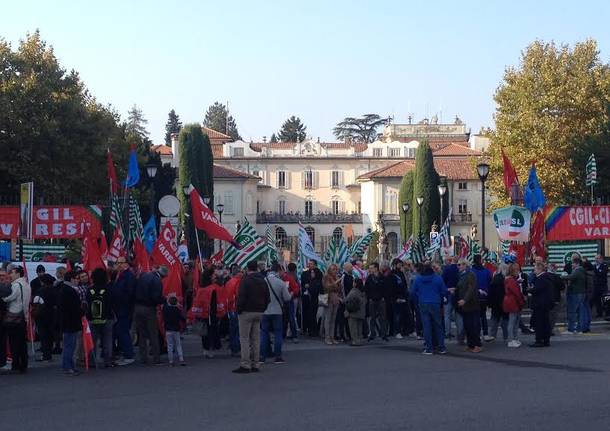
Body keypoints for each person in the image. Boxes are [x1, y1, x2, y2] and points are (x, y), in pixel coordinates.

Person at [234, 260, 270, 374]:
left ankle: (245, 364)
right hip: (259, 311)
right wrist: (262, 308)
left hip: (246, 311)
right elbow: (267, 297)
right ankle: (256, 363)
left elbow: (241, 296)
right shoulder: (263, 280)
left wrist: (239, 309)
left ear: (248, 268)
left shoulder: (246, 280)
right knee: (256, 338)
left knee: (244, 338)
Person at [411, 261, 448, 355]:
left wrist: (418, 298)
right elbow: (444, 291)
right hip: (435, 302)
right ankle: (441, 347)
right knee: (438, 325)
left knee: (426, 326)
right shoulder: (437, 278)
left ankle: (429, 347)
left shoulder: (418, 279)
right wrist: (443, 298)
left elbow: (412, 292)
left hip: (423, 302)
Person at [134, 266, 167, 364]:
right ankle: (156, 358)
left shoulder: (143, 276)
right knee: (153, 334)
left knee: (142, 334)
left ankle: (143, 358)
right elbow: (156, 298)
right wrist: (164, 300)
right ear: (162, 275)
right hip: (149, 309)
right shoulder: (157, 281)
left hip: (137, 307)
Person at [260, 262, 292, 363]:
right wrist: (290, 293)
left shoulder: (263, 281)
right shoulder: (280, 282)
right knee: (278, 333)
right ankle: (278, 356)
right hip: (277, 311)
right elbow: (287, 298)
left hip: (265, 311)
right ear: (278, 270)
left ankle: (262, 356)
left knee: (264, 333)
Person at [2, 265, 31, 373]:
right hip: (23, 316)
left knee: (14, 342)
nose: (10, 275)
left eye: (12, 273)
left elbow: (10, 298)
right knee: (22, 342)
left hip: (14, 317)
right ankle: (24, 363)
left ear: (18, 273)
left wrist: (3, 298)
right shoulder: (26, 284)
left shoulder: (16, 285)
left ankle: (16, 364)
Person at [86, 268, 115, 368]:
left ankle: (92, 361)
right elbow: (111, 303)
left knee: (92, 341)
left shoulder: (90, 290)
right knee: (107, 340)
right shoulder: (108, 289)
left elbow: (87, 304)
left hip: (92, 319)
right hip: (107, 318)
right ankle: (108, 361)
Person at [110, 257, 136, 366]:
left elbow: (129, 293)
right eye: (117, 263)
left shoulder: (128, 276)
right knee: (120, 332)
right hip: (120, 308)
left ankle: (129, 355)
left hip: (124, 308)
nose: (119, 265)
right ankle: (125, 353)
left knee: (123, 332)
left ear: (126, 264)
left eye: (121, 263)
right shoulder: (121, 275)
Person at [58, 270, 84, 376]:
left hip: (66, 321)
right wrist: (82, 310)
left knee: (68, 345)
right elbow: (74, 308)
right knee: (70, 346)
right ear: (72, 279)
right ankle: (68, 367)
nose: (78, 281)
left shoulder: (63, 289)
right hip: (71, 322)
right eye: (77, 278)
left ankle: (69, 365)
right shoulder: (69, 290)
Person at [455, 259, 481, 353]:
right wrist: (454, 290)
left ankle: (477, 345)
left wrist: (464, 300)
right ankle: (470, 344)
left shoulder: (470, 274)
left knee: (473, 325)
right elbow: (461, 287)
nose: (457, 266)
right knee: (467, 325)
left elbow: (471, 289)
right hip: (464, 305)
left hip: (471, 303)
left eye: (459, 265)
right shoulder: (462, 275)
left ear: (465, 265)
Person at [32, 273, 58, 362]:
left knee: (43, 335)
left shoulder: (40, 291)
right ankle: (49, 353)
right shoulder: (55, 290)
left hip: (42, 315)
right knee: (50, 335)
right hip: (52, 315)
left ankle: (46, 355)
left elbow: (36, 302)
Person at [528, 262, 554, 347]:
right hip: (545, 304)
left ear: (539, 269)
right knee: (545, 322)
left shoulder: (541, 278)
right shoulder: (546, 277)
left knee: (539, 323)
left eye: (535, 268)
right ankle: (546, 340)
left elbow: (537, 290)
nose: (534, 270)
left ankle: (539, 340)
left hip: (540, 304)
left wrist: (529, 290)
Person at [562, 255, 586, 334]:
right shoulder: (581, 270)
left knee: (572, 312)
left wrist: (561, 277)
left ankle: (571, 329)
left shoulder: (578, 270)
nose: (572, 265)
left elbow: (571, 277)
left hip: (575, 293)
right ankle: (579, 329)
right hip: (580, 293)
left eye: (572, 263)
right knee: (579, 312)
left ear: (576, 263)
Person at [503, 263, 525, 348]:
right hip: (513, 302)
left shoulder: (510, 279)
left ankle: (514, 339)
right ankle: (511, 340)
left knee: (514, 321)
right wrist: (521, 302)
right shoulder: (511, 280)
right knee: (513, 322)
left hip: (511, 301)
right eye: (517, 270)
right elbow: (517, 293)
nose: (518, 272)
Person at [365, 262, 388, 342]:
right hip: (372, 300)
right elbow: (366, 289)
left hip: (381, 299)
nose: (370, 270)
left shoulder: (382, 277)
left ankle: (384, 334)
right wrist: (369, 298)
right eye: (369, 268)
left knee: (383, 317)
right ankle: (372, 334)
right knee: (372, 318)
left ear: (376, 268)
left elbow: (385, 288)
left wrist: (383, 297)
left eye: (371, 268)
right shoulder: (369, 278)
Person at [471, 254, 492, 341]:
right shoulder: (486, 271)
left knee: (475, 317)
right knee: (483, 316)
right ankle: (485, 333)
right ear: (480, 260)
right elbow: (490, 283)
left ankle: (478, 334)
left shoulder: (471, 271)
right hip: (484, 296)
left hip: (474, 297)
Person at [300, 260, 323, 337]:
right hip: (306, 296)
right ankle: (305, 328)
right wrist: (305, 287)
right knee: (306, 313)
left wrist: (312, 281)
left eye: (311, 264)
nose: (309, 265)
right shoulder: (305, 273)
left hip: (314, 296)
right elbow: (302, 283)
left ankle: (313, 330)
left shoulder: (319, 273)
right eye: (309, 264)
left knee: (313, 313)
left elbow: (319, 284)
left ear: (315, 265)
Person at [224, 267, 243, 356]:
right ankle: (236, 349)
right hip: (236, 307)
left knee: (232, 329)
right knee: (237, 330)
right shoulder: (238, 281)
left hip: (230, 307)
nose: (243, 274)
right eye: (241, 272)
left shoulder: (229, 282)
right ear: (238, 273)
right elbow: (239, 295)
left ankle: (233, 347)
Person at [163, 295, 186, 366]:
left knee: (170, 345)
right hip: (176, 329)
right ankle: (181, 359)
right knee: (178, 344)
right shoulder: (177, 310)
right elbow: (182, 318)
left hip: (168, 329)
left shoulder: (166, 309)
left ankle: (171, 361)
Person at [487, 264, 508, 342]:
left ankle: (492, 336)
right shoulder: (506, 279)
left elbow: (491, 291)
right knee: (505, 321)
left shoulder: (495, 278)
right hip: (504, 302)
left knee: (494, 320)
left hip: (495, 303)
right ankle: (506, 337)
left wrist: (489, 303)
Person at [322, 264, 342, 345]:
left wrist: (338, 283)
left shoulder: (336, 277)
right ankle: (327, 337)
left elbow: (339, 288)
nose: (335, 271)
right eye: (333, 269)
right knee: (328, 319)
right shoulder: (326, 277)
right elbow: (326, 287)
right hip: (329, 298)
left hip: (336, 299)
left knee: (333, 319)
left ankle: (332, 337)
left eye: (336, 269)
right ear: (329, 269)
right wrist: (336, 283)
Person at [391, 259, 411, 339]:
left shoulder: (401, 273)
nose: (400, 266)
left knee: (405, 314)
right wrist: (396, 297)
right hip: (397, 297)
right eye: (399, 264)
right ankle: (397, 331)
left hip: (403, 296)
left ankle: (405, 330)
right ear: (395, 265)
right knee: (397, 315)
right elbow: (392, 287)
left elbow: (404, 284)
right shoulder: (393, 274)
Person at [442, 256, 460, 340]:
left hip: (448, 293)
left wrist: (447, 289)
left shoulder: (447, 269)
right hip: (458, 294)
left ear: (451, 260)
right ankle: (460, 333)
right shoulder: (459, 270)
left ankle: (447, 332)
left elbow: (443, 282)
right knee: (458, 315)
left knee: (447, 315)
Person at [282, 263, 301, 342]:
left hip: (289, 299)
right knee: (289, 318)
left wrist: (292, 293)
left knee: (289, 318)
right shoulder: (291, 277)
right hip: (289, 299)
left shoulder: (289, 277)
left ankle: (290, 334)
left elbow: (296, 288)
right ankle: (290, 334)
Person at [344, 278, 366, 346]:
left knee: (353, 328)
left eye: (354, 282)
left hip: (353, 312)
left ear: (355, 284)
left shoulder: (353, 291)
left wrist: (341, 299)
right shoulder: (363, 292)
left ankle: (355, 341)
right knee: (359, 327)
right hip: (361, 312)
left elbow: (347, 300)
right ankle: (359, 340)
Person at [547, 263, 565, 334]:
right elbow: (562, 287)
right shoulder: (556, 277)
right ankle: (550, 329)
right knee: (553, 315)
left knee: (547, 315)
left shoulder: (543, 276)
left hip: (546, 298)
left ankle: (546, 329)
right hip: (555, 298)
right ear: (554, 269)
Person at [0, 268, 12, 371]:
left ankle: (2, 361)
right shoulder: (5, 287)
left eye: (3, 276)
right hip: (3, 316)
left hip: (5, 317)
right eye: (0, 276)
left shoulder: (7, 286)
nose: (2, 278)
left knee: (3, 340)